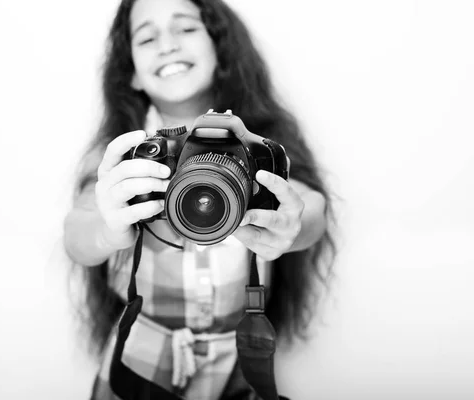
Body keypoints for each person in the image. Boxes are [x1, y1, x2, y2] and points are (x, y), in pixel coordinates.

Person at [64, 0, 336, 398]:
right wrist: (109, 226)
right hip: (140, 362)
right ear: (133, 74)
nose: (168, 44)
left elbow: (312, 208)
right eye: (147, 37)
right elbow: (77, 235)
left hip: (239, 360)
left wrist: (289, 227)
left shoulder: (258, 144)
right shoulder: (126, 156)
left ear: (220, 49)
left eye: (187, 28)